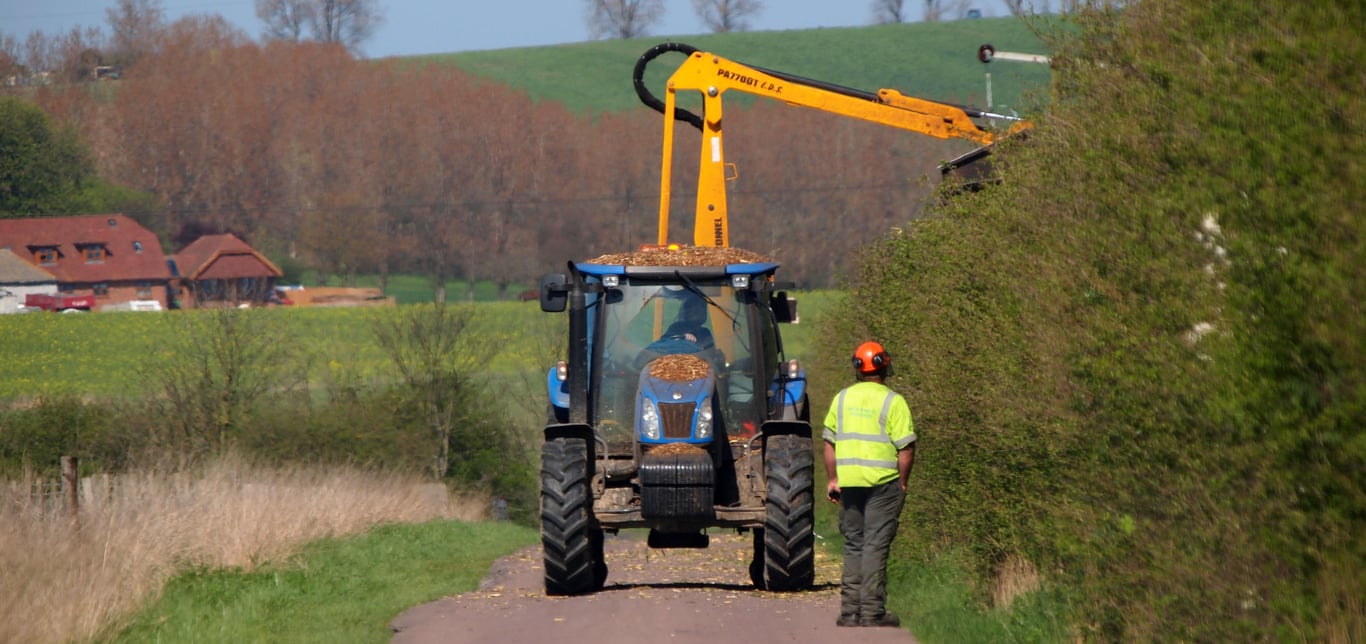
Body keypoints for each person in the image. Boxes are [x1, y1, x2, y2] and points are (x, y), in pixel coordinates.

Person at [823, 340, 916, 628]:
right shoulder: (893, 401)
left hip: (850, 484)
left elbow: (829, 442)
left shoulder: (841, 399)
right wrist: (902, 482)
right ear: (885, 366)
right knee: (875, 544)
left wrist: (833, 479)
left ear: (857, 370)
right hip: (884, 484)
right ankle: (873, 612)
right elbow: (906, 449)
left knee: (854, 544)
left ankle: (850, 612)